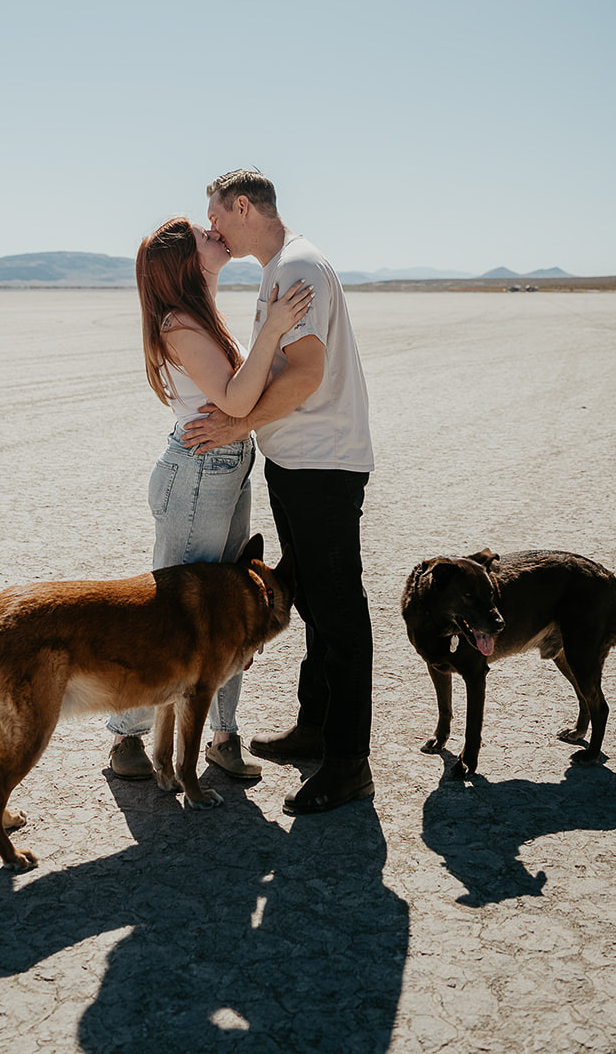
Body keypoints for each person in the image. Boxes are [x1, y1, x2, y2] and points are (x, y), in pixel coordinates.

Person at [180, 170, 375, 815]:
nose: (213, 230)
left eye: (217, 217)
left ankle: (349, 763)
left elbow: (309, 374)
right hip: (296, 461)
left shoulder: (298, 267)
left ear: (242, 207)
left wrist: (238, 423)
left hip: (324, 463)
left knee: (339, 610)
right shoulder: (277, 271)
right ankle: (316, 728)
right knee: (315, 602)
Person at [107, 215, 312, 784]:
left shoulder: (199, 312)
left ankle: (222, 736)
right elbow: (238, 400)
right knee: (167, 620)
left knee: (233, 611)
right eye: (203, 233)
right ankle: (127, 738)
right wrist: (272, 330)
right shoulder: (178, 325)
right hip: (198, 473)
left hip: (224, 466)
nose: (214, 232)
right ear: (185, 260)